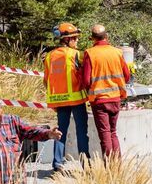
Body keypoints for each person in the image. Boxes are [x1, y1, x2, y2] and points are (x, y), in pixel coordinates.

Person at [44, 22, 89, 172]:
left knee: (60, 132)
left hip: (59, 101)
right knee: (81, 131)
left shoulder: (49, 56)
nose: (77, 40)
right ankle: (85, 164)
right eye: (74, 38)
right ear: (66, 40)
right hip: (76, 99)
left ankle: (57, 164)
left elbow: (46, 81)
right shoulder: (76, 54)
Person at [81, 24, 130, 158]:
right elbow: (127, 75)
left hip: (99, 100)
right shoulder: (117, 52)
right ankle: (117, 165)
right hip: (116, 99)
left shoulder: (90, 53)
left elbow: (86, 80)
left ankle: (109, 166)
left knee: (105, 134)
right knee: (113, 132)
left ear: (92, 38)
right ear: (106, 36)